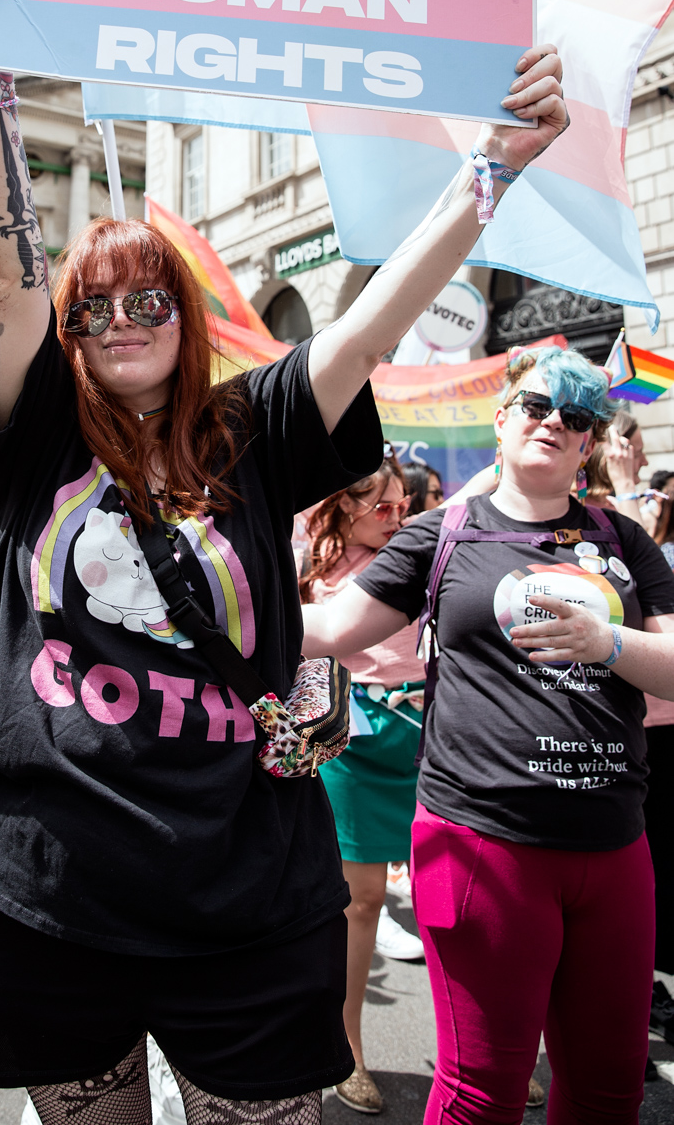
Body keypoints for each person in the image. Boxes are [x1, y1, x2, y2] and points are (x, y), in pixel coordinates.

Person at [0, 0, 568, 1124]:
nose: (118, 320)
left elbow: (367, 322)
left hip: (243, 884)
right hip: (50, 883)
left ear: (184, 313)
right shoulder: (34, 429)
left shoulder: (253, 425)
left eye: (144, 296)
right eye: (91, 306)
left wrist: (497, 163)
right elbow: (7, 261)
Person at [304, 343, 674, 1121]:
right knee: (481, 1094)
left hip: (612, 847)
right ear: (502, 420)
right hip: (482, 847)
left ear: (586, 444)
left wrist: (605, 643)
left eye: (573, 417)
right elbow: (331, 627)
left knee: (609, 1091)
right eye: (536, 406)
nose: (552, 423)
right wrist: (194, 603)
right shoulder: (443, 533)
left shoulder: (623, 542)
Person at [300, 456, 423, 1113]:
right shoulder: (312, 568)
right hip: (349, 736)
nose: (396, 518)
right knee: (362, 900)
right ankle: (346, 1047)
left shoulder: (422, 553)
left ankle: (484, 1051)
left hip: (427, 733)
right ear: (345, 505)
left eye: (405, 507)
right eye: (383, 507)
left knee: (448, 898)